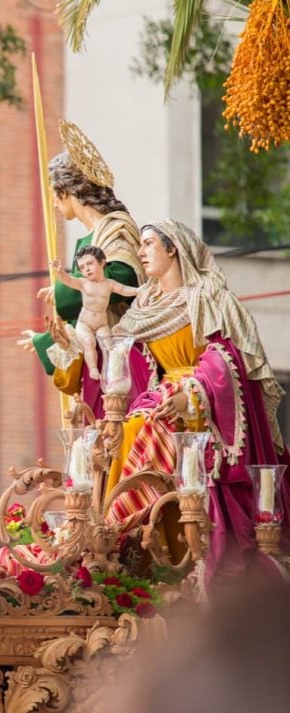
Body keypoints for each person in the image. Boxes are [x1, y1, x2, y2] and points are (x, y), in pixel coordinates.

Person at [105, 219, 289, 585]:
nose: (141, 253)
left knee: (152, 434)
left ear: (172, 248)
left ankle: (168, 546)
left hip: (201, 405)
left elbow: (225, 357)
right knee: (125, 433)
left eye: (148, 244)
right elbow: (138, 366)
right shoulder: (146, 303)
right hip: (164, 396)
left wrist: (191, 394)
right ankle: (121, 538)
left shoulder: (206, 295)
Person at [19, 121, 143, 415]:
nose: (53, 205)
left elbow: (125, 276)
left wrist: (68, 288)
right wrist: (46, 339)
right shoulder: (90, 238)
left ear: (68, 191)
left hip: (120, 358)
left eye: (54, 194)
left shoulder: (115, 229)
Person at [50, 246, 141, 380]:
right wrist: (61, 273)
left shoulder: (109, 284)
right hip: (84, 323)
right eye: (82, 267)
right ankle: (93, 369)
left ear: (102, 262)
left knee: (108, 345)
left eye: (90, 263)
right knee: (89, 342)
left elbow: (123, 290)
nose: (86, 269)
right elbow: (68, 280)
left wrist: (138, 291)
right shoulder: (83, 283)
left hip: (101, 323)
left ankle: (112, 370)